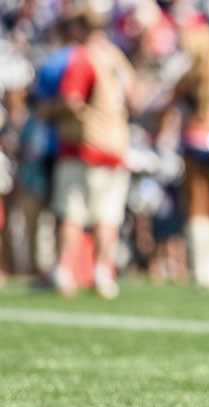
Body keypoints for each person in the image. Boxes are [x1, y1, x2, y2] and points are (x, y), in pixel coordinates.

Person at [39, 6, 135, 299]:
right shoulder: (116, 56)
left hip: (83, 146)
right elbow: (135, 97)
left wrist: (46, 110)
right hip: (116, 146)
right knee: (107, 217)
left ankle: (64, 271)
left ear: (78, 28)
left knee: (72, 212)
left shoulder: (83, 57)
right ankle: (102, 273)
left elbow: (71, 100)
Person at [157, 24, 209, 288]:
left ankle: (202, 269)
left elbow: (167, 109)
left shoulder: (187, 78)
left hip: (193, 140)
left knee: (196, 203)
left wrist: (159, 135)